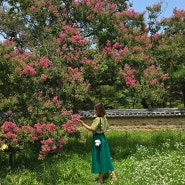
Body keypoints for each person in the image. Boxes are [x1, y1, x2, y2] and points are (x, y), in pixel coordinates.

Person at [77, 103, 117, 184]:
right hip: (103, 138)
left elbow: (91, 129)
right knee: (106, 156)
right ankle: (113, 175)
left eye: (95, 109)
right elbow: (108, 127)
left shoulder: (97, 119)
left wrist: (82, 124)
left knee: (99, 157)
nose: (94, 110)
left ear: (98, 110)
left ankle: (100, 179)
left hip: (97, 139)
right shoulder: (104, 118)